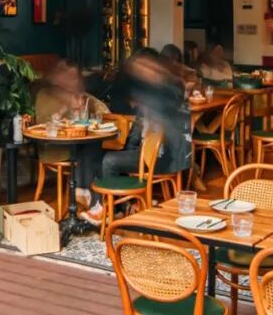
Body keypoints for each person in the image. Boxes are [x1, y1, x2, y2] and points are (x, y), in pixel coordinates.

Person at [82, 51, 192, 223]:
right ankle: (118, 206)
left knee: (110, 160)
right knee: (104, 157)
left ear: (155, 66)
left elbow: (157, 127)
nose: (139, 72)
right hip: (163, 152)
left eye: (143, 66)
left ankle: (106, 210)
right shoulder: (156, 89)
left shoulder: (162, 93)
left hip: (165, 156)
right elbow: (139, 126)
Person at [34, 59, 108, 208]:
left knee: (98, 149)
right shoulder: (45, 94)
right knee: (92, 148)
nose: (74, 81)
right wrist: (65, 110)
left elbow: (100, 111)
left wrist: (79, 110)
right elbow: (43, 124)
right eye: (70, 77)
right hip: (55, 147)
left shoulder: (78, 95)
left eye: (76, 78)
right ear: (59, 77)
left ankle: (93, 197)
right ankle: (89, 195)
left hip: (75, 143)